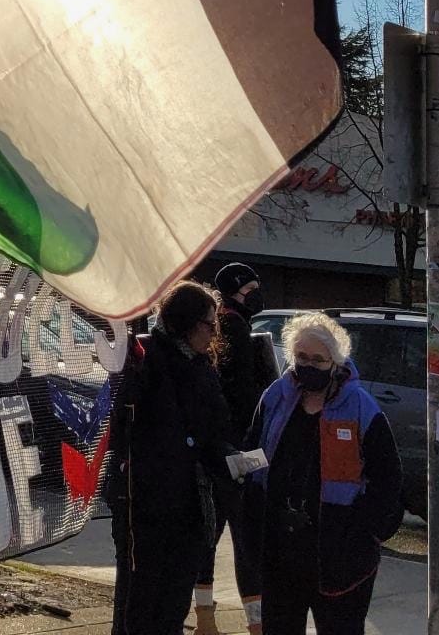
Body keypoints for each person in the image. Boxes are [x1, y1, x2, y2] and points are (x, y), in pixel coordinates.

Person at [240, 312, 402, 635]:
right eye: (301, 357)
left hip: (340, 558)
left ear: (335, 362)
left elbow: (388, 480)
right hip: (280, 553)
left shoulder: (361, 408)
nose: (308, 365)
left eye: (318, 359)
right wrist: (250, 519)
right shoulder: (275, 398)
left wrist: (365, 532)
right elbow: (252, 458)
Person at [108, 280, 239, 635]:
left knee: (173, 604)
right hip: (146, 505)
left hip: (190, 507)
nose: (214, 334)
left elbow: (214, 431)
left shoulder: (202, 368)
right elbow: (123, 429)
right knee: (140, 604)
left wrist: (232, 460)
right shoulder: (144, 359)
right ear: (184, 321)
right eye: (208, 325)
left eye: (216, 326)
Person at [194, 264, 276, 635]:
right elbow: (243, 392)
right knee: (247, 541)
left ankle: (205, 619)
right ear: (236, 290)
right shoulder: (236, 327)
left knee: (209, 537)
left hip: (214, 450)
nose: (257, 294)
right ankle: (256, 625)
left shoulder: (217, 324)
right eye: (252, 288)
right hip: (238, 451)